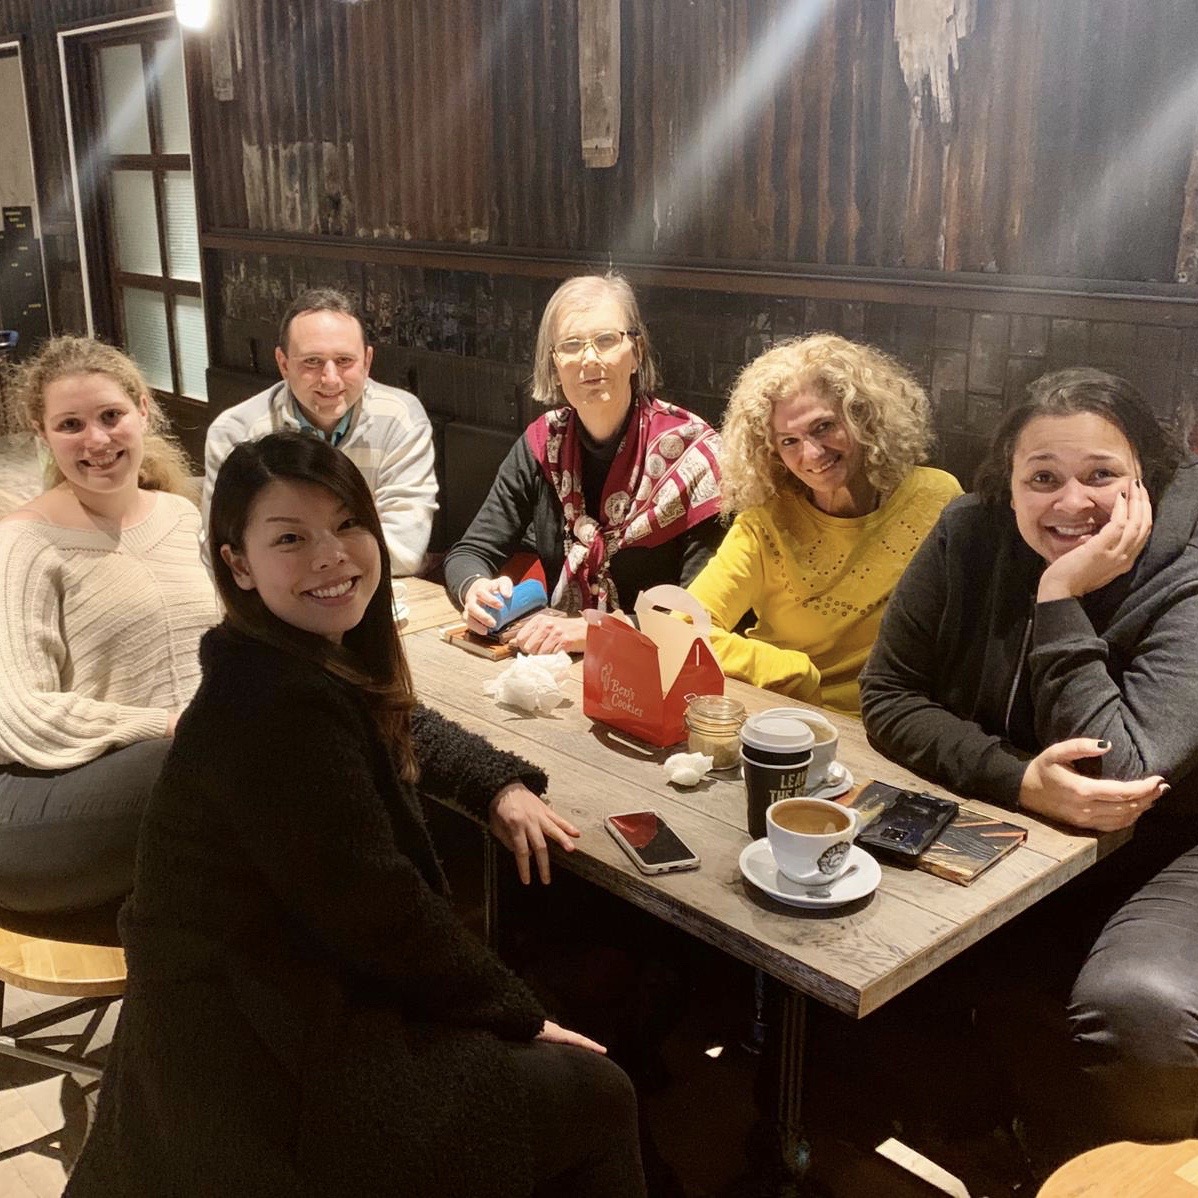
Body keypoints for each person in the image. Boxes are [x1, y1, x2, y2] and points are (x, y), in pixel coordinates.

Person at [66, 432, 646, 1197]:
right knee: (601, 1094)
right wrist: (518, 1014)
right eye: (290, 539)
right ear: (237, 563)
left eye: (347, 525)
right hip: (259, 1071)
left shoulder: (278, 660)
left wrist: (495, 784)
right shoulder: (271, 710)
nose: (331, 555)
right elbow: (379, 912)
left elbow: (395, 719)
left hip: (265, 1007)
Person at [860, 367, 1198, 1146]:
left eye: (1102, 475)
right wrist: (1017, 779)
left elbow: (1122, 772)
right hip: (1019, 822)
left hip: (1167, 843)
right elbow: (889, 694)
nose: (1071, 502)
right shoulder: (966, 535)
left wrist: (1060, 599)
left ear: (1147, 478)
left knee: (1138, 1008)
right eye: (1042, 477)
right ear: (1007, 485)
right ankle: (978, 1140)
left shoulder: (1186, 575)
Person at [0, 337, 218, 915]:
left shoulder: (181, 514)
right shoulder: (23, 544)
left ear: (143, 411)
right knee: (204, 758)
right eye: (70, 424)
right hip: (38, 799)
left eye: (110, 416)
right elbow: (20, 716)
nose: (96, 440)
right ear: (42, 435)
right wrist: (168, 724)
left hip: (180, 787)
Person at [443, 272, 724, 654]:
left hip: (663, 669)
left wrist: (594, 632)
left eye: (606, 340)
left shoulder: (695, 457)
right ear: (556, 365)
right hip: (559, 663)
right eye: (571, 346)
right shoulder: (542, 445)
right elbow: (468, 553)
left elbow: (701, 613)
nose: (589, 359)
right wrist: (475, 589)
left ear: (636, 353)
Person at [686, 333, 962, 715]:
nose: (812, 454)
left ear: (862, 415)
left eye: (823, 427)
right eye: (788, 441)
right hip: (784, 719)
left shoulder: (936, 498)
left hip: (892, 724)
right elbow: (682, 628)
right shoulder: (765, 523)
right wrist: (790, 670)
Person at [201, 287, 437, 576]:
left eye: (344, 361)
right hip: (276, 603)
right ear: (283, 364)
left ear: (367, 361)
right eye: (312, 362)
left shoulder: (400, 419)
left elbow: (404, 550)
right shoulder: (236, 432)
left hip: (382, 598)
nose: (330, 379)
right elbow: (222, 553)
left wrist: (289, 554)